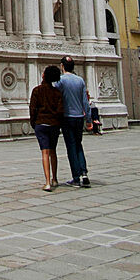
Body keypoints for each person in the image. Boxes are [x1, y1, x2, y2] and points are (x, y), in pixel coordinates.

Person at [55, 56, 93, 187]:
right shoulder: (80, 81)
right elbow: (85, 102)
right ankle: (84, 174)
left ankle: (76, 178)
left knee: (71, 147)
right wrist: (89, 119)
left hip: (67, 118)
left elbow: (54, 96)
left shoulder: (60, 81)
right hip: (79, 118)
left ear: (62, 66)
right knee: (78, 145)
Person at [29, 66, 64, 191]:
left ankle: (47, 182)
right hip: (54, 125)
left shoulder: (37, 90)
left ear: (44, 76)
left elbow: (32, 109)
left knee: (45, 152)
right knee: (53, 151)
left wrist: (34, 123)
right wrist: (57, 122)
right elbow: (60, 111)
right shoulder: (57, 93)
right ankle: (55, 179)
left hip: (41, 124)